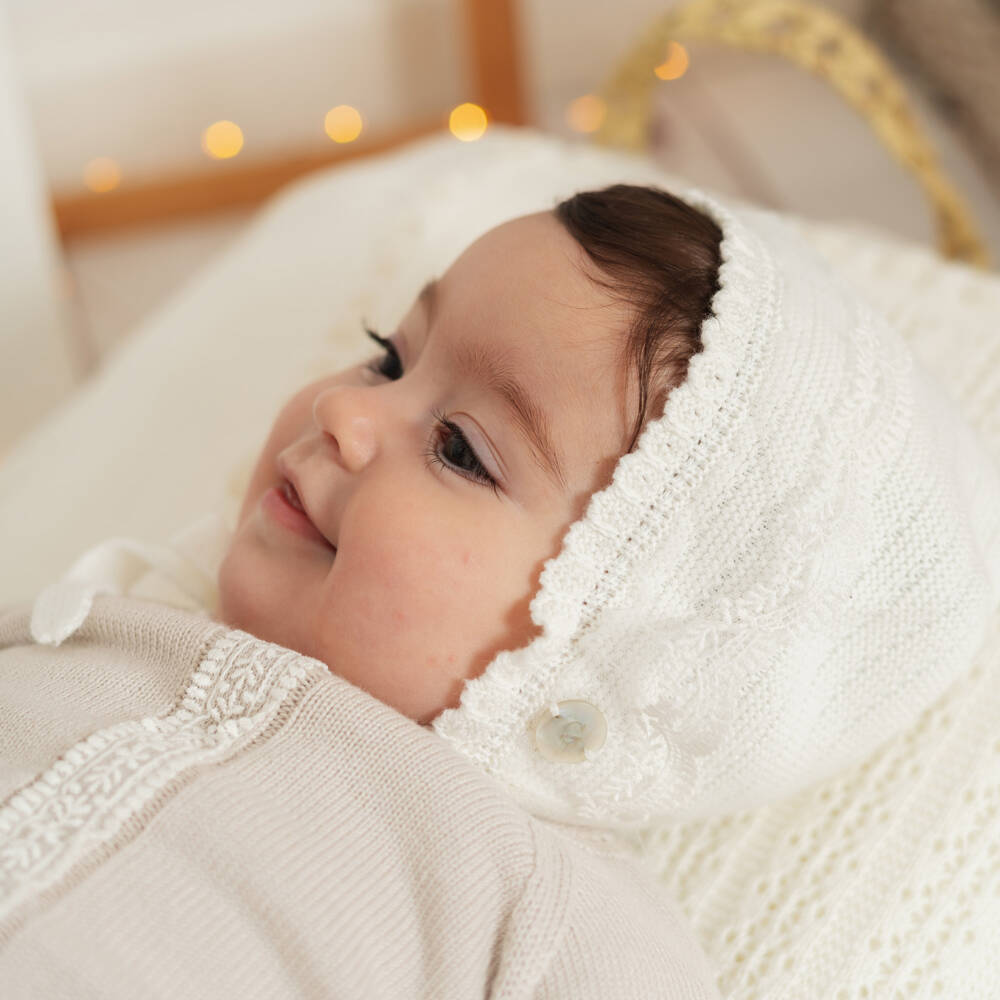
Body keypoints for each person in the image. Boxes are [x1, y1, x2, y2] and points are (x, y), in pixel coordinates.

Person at [4, 180, 998, 996]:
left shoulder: (541, 899)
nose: (347, 407)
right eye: (390, 357)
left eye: (460, 449)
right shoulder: (101, 615)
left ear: (594, 665)